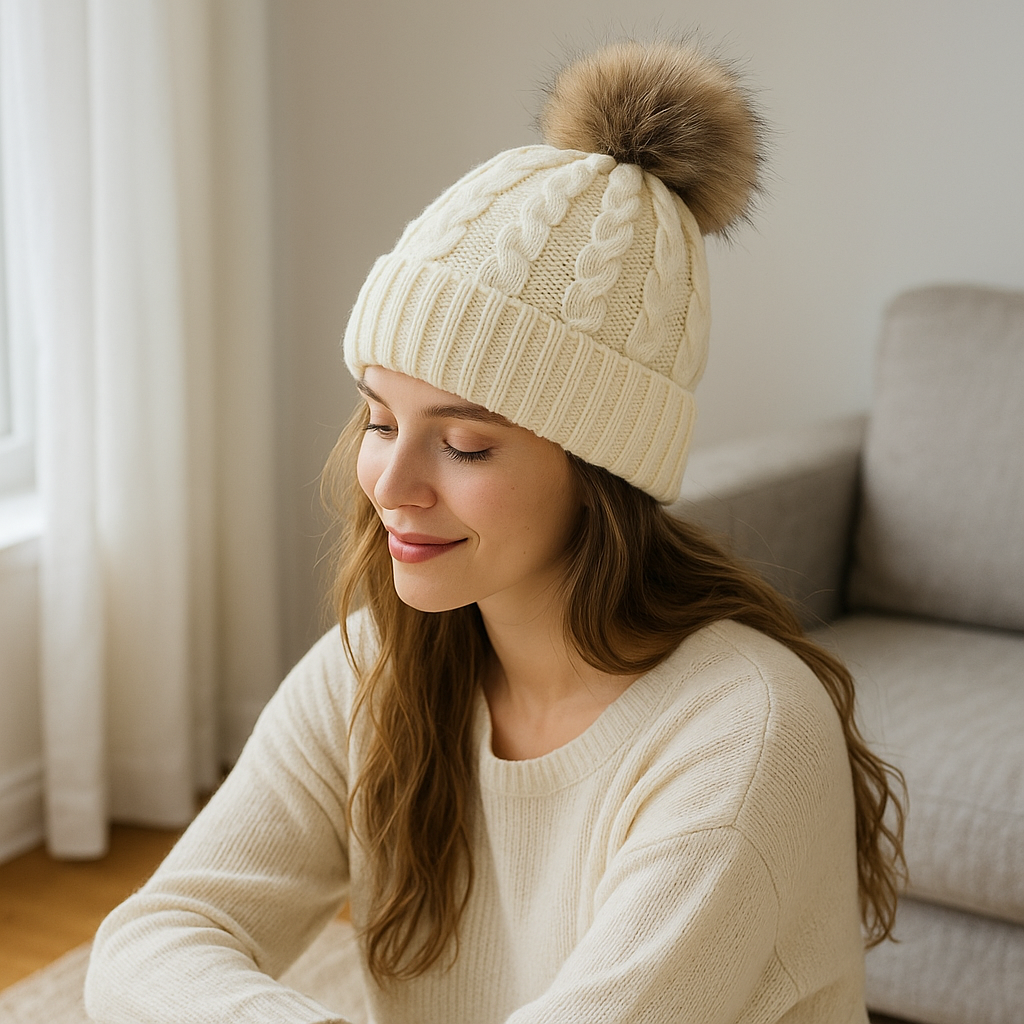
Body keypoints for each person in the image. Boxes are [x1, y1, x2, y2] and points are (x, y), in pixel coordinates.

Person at [85, 39, 905, 1024]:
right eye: (381, 418)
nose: (387, 480)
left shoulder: (741, 733)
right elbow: (151, 937)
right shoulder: (382, 664)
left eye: (465, 445)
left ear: (598, 476)